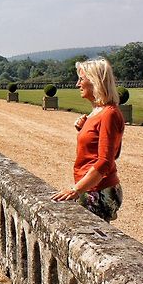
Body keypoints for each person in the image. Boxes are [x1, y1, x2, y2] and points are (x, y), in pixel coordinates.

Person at [51, 58, 124, 222]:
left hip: (99, 190)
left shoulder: (108, 114)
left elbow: (106, 160)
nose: (78, 84)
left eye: (81, 79)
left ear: (95, 81)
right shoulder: (99, 112)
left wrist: (75, 190)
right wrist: (85, 128)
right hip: (93, 188)